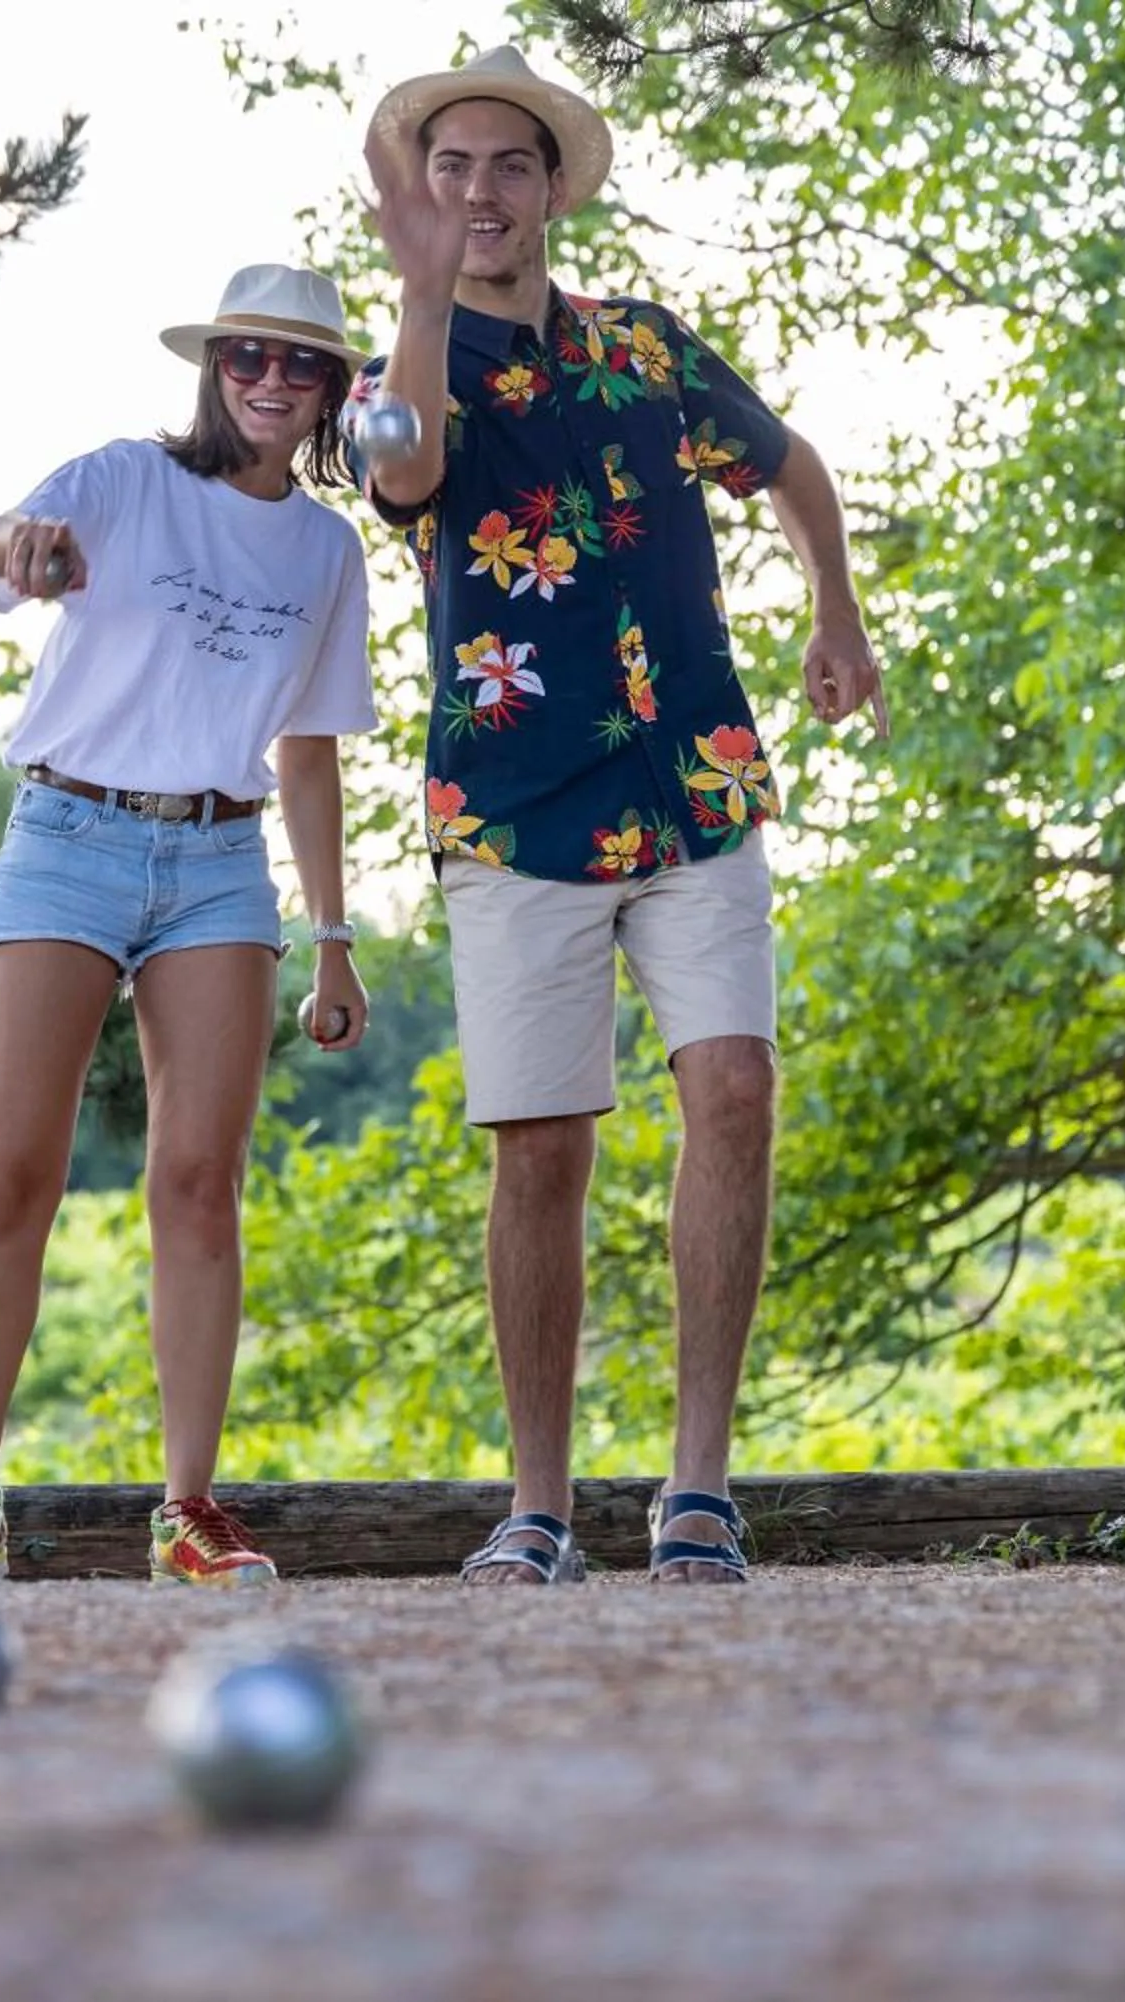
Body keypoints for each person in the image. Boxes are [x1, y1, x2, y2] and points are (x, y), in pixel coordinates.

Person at [351, 48, 888, 1584]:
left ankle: (698, 1490)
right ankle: (539, 1505)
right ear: (418, 193)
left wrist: (834, 616)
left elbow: (793, 468)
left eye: (507, 166)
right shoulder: (403, 368)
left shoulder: (645, 346)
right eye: (448, 167)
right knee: (545, 1152)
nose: (478, 191)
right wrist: (417, 296)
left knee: (734, 1089)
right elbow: (405, 477)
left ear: (550, 189)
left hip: (695, 777)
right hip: (515, 804)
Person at [0, 264, 380, 1587]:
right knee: (7, 1176)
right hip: (70, 839)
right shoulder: (124, 480)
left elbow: (311, 749)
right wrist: (14, 549)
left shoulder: (326, 549)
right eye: (248, 356)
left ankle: (188, 1509)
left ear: (329, 391)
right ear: (215, 366)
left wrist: (333, 935)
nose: (270, 381)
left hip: (219, 859)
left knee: (201, 1185)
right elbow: (0, 534)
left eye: (300, 366)